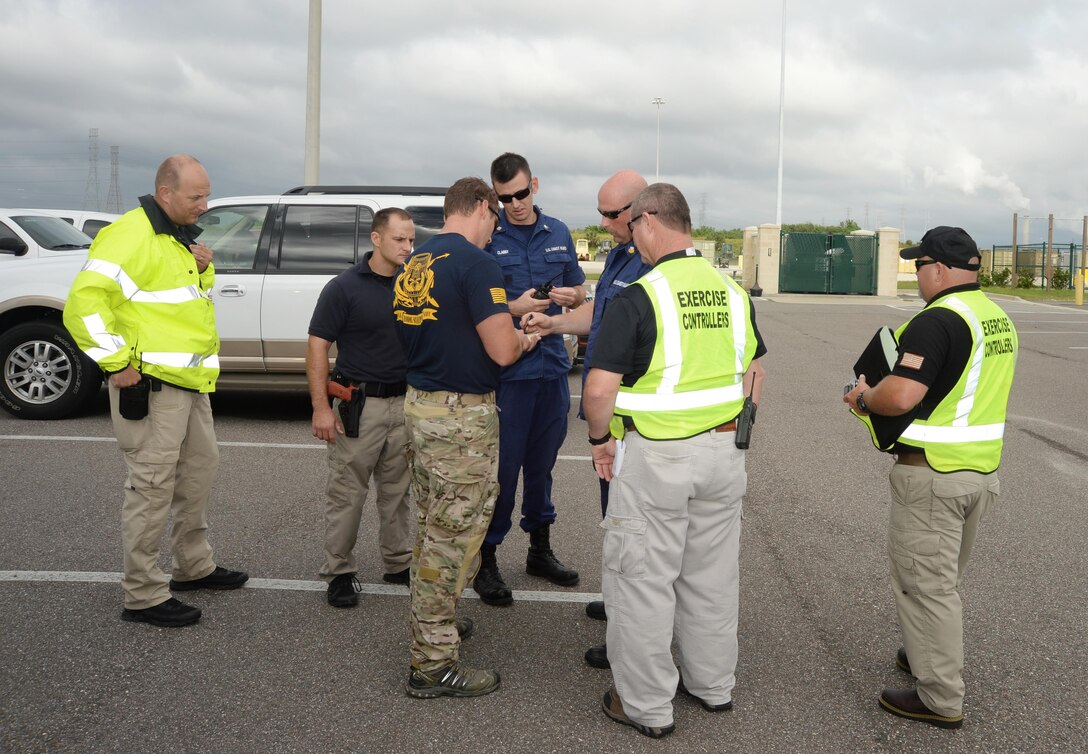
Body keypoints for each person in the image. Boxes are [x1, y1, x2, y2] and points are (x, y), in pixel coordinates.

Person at [583, 183, 767, 739]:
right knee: (711, 577)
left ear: (649, 221)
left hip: (658, 457)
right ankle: (713, 686)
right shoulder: (731, 291)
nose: (631, 238)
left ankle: (645, 705)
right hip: (724, 453)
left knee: (642, 578)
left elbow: (598, 389)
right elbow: (755, 371)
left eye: (631, 225)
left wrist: (600, 440)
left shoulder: (641, 295)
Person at [62, 154, 247, 628]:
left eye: (207, 194)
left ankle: (193, 566)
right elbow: (83, 303)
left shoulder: (178, 236)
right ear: (166, 194)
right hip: (151, 386)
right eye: (196, 197)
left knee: (197, 476)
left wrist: (203, 267)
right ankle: (142, 594)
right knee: (151, 486)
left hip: (190, 385)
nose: (205, 205)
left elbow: (183, 299)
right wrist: (117, 363)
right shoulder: (130, 233)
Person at [844, 226, 1018, 730]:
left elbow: (899, 397)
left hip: (934, 477)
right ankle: (924, 650)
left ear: (937, 269)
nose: (916, 275)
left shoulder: (936, 321)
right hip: (979, 473)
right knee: (942, 580)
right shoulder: (995, 315)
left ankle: (940, 697)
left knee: (926, 586)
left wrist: (863, 397)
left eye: (918, 266)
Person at [392, 177, 535, 699]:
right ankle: (431, 665)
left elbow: (448, 324)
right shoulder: (478, 264)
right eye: (494, 216)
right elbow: (501, 351)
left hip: (422, 406)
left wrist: (508, 314)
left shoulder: (418, 260)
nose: (496, 226)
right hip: (459, 421)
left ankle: (436, 623)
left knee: (433, 526)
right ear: (480, 206)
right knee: (453, 538)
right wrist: (523, 336)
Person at [522, 169, 652, 668]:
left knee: (633, 526)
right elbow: (597, 314)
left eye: (611, 214)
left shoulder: (654, 268)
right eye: (599, 212)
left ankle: (631, 632)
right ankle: (620, 600)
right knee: (615, 518)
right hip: (612, 419)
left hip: (633, 420)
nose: (602, 222)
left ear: (641, 212)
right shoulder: (620, 257)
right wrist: (554, 323)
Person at [472, 152, 586, 607]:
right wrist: (515, 308)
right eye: (504, 198)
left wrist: (572, 294)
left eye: (521, 193)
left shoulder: (557, 231)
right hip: (508, 375)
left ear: (534, 185)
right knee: (502, 471)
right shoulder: (488, 237)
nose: (515, 204)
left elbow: (579, 291)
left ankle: (539, 549)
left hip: (552, 370)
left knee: (542, 468)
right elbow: (478, 301)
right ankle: (489, 558)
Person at [307, 208, 415, 608]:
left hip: (405, 403)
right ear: (376, 238)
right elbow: (318, 346)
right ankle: (339, 572)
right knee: (347, 493)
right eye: (399, 239)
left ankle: (398, 562)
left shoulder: (414, 285)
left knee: (398, 492)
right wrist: (321, 407)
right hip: (360, 405)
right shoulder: (344, 287)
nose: (407, 246)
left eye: (410, 240)